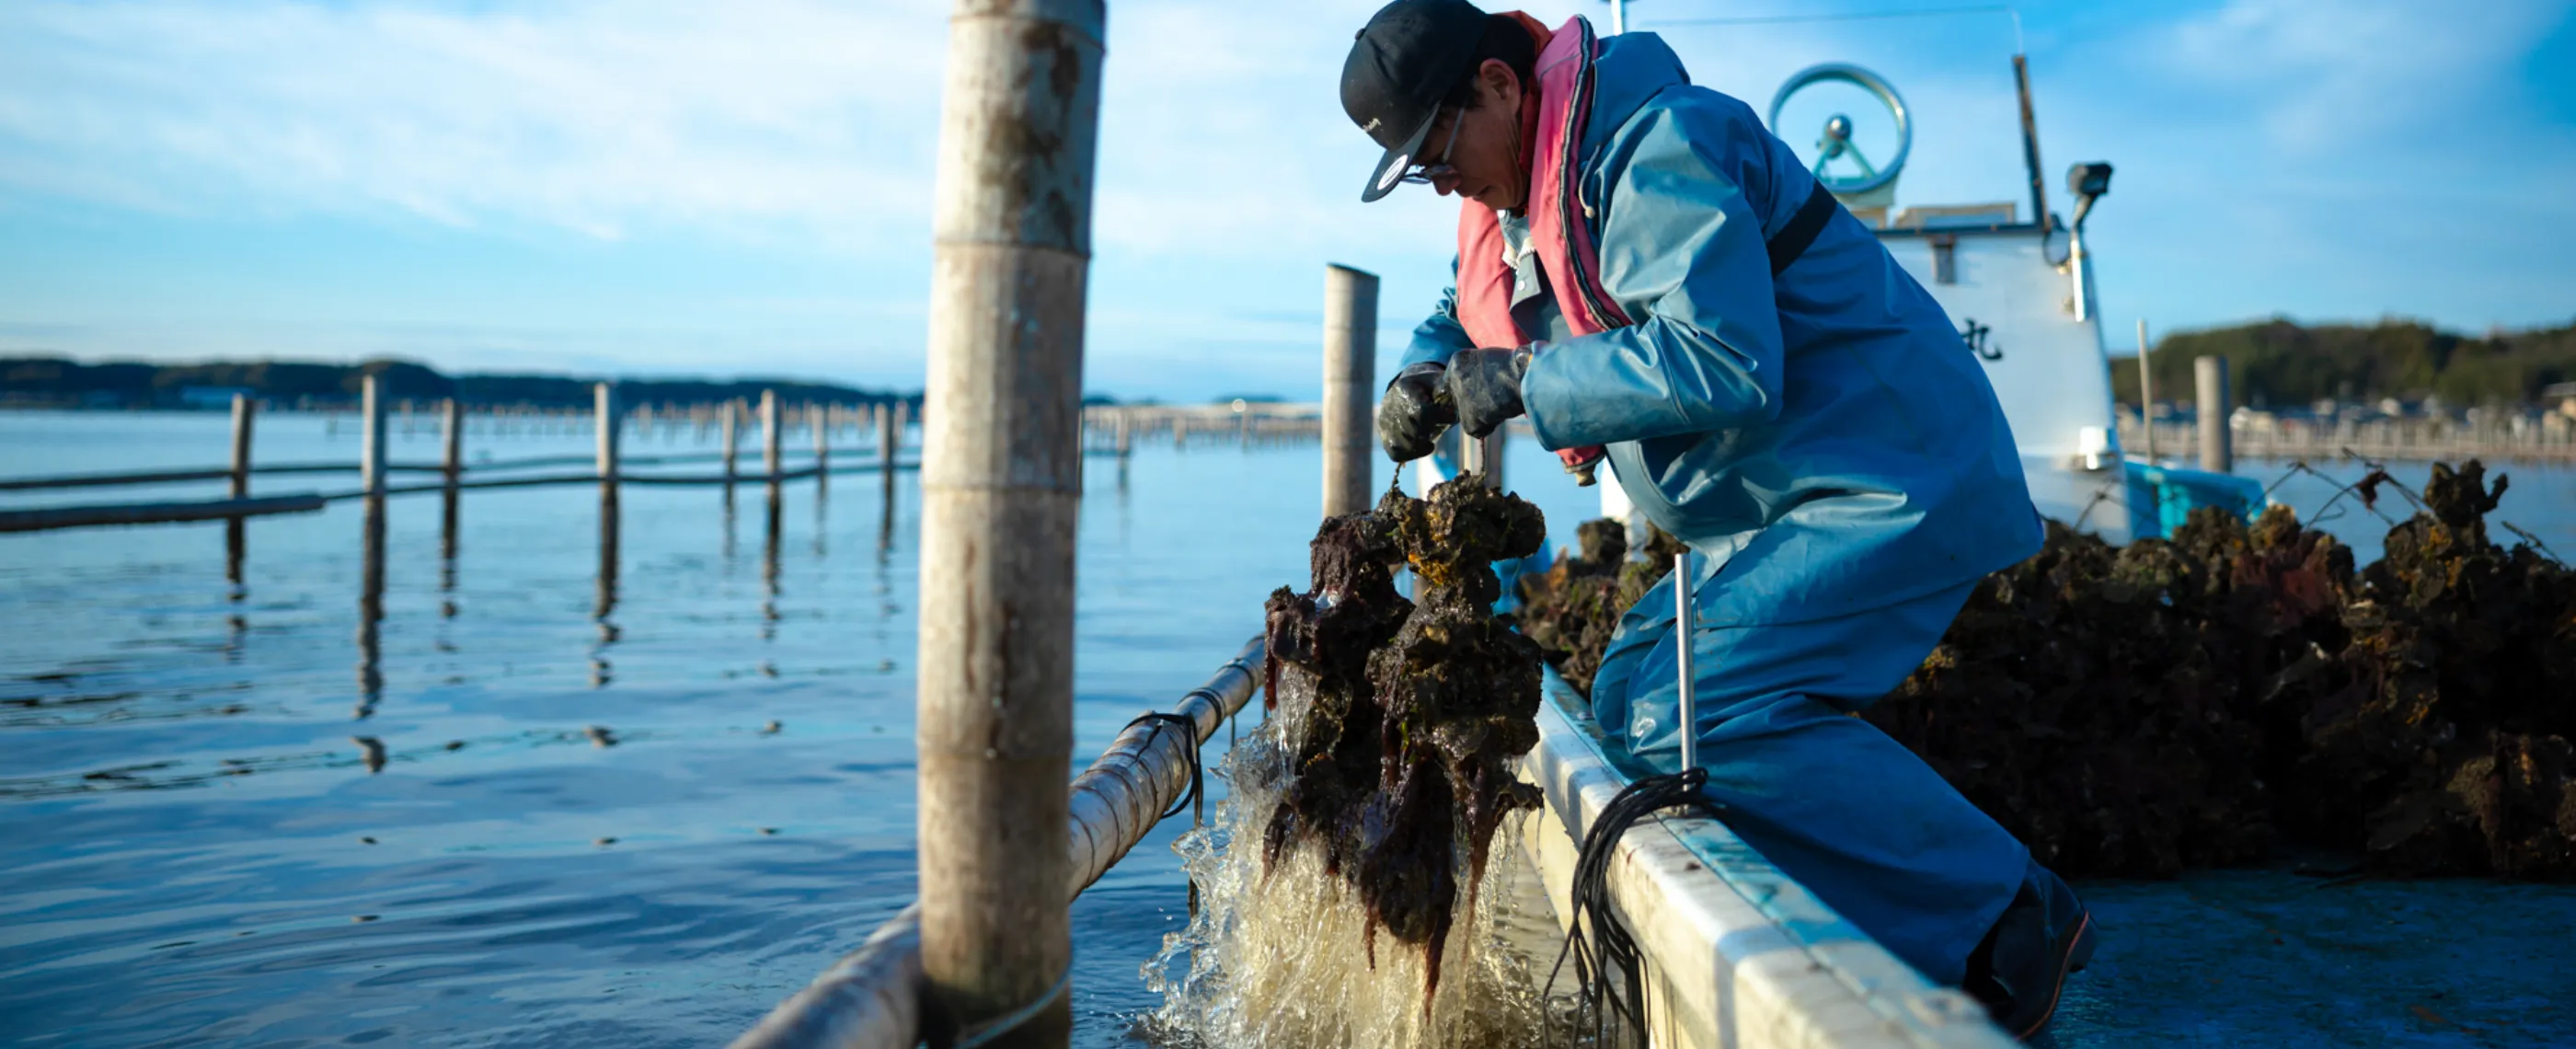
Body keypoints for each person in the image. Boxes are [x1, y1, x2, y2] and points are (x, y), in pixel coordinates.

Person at [1339, 0, 2093, 1038]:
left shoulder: (1656, 147)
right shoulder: (1533, 186)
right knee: (1633, 697)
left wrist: (1524, 380)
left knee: (1676, 719)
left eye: (1435, 148)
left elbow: (1725, 360)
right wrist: (1427, 366)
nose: (1439, 180)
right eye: (1416, 169)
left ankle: (2006, 915)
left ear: (1502, 87)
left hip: (1890, 481)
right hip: (1788, 507)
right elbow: (1471, 296)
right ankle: (1915, 917)